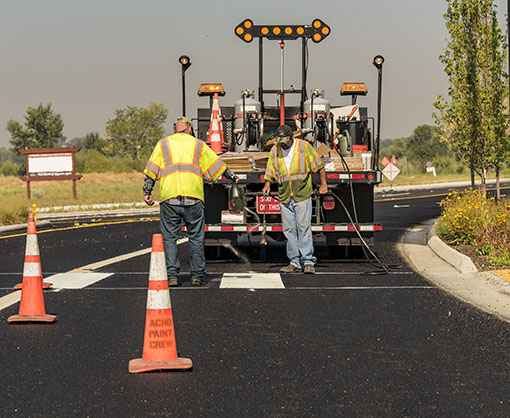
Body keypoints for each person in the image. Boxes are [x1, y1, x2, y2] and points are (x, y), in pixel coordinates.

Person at [143, 116, 238, 286]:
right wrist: (233, 177)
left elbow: (151, 170)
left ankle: (172, 276)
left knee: (170, 238)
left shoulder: (163, 144)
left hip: (170, 198)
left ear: (175, 129)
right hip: (193, 198)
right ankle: (197, 276)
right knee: (196, 237)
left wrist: (147, 192)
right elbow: (217, 166)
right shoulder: (198, 144)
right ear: (189, 128)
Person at [262, 125, 328, 274]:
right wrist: (267, 184)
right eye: (280, 141)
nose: (283, 144)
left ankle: (308, 262)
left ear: (292, 137)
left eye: (285, 141)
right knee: (289, 230)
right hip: (285, 195)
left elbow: (319, 166)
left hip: (302, 194)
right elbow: (270, 169)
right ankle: (294, 262)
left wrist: (324, 184)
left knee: (303, 228)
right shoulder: (275, 150)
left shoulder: (304, 147)